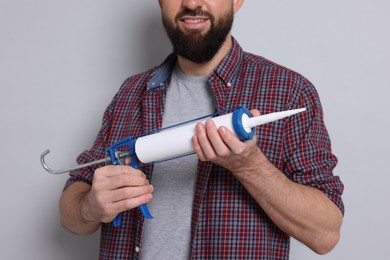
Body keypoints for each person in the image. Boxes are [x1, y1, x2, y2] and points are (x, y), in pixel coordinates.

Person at [60, 0, 344, 259]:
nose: (192, 3)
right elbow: (72, 209)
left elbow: (325, 234)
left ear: (237, 1)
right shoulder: (131, 93)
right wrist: (89, 207)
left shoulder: (288, 92)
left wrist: (250, 166)